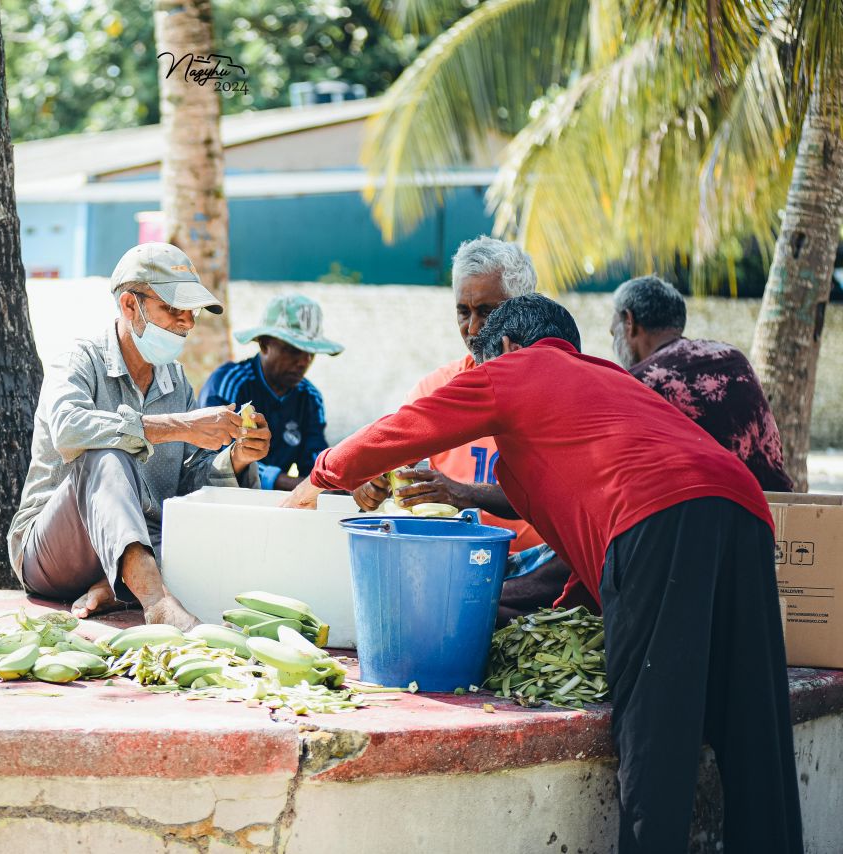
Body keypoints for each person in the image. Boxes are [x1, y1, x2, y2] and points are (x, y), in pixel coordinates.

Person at [282, 294, 801, 854]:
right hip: (744, 508)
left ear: (503, 347)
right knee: (753, 720)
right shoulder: (602, 382)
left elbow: (409, 426)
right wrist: (558, 611)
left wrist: (324, 474)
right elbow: (581, 536)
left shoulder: (517, 368)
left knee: (657, 731)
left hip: (660, 515)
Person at [7, 243, 272, 630]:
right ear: (130, 305)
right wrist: (181, 426)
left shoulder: (176, 381)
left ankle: (118, 586)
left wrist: (236, 458)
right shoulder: (79, 359)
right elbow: (68, 430)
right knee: (104, 454)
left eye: (191, 313)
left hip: (149, 549)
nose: (187, 323)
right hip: (58, 556)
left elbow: (188, 486)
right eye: (173, 309)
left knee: (214, 526)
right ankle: (157, 602)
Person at [351, 236, 594, 622]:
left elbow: (571, 501)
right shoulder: (435, 390)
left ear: (522, 308)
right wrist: (371, 485)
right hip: (455, 562)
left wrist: (463, 493)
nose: (474, 327)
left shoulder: (560, 389)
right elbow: (386, 468)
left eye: (487, 310)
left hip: (540, 569)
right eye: (463, 311)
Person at [611, 275, 794, 491]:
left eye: (613, 333)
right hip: (769, 509)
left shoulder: (637, 383)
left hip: (696, 515)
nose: (613, 343)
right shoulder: (732, 358)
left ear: (629, 323)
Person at [199, 294, 343, 490]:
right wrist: (287, 482)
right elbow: (215, 460)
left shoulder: (310, 398)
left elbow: (315, 459)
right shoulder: (229, 383)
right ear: (265, 344)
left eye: (311, 353)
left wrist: (341, 477)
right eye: (293, 350)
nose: (303, 362)